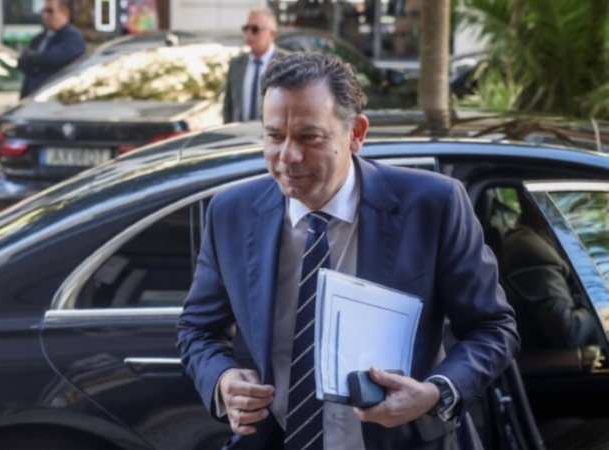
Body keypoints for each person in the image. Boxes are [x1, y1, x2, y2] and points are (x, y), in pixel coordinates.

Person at [177, 52, 519, 450]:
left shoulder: (432, 205)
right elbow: (197, 329)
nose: (288, 156)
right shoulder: (231, 213)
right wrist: (222, 380)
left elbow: (493, 328)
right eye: (274, 136)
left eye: (309, 137)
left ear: (356, 133)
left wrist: (434, 392)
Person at [501, 193, 599, 349]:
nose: (579, 213)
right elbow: (570, 332)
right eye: (573, 203)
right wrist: (601, 304)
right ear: (537, 204)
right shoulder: (530, 248)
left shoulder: (548, 235)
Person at [223, 7, 289, 124]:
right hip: (240, 134)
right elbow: (228, 106)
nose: (248, 34)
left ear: (272, 34)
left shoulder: (288, 64)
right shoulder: (236, 64)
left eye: (255, 29)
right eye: (246, 28)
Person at [18, 0, 86, 98]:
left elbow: (53, 59)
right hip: (30, 97)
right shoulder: (39, 38)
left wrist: (34, 59)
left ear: (64, 13)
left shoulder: (73, 38)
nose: (45, 15)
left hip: (55, 98)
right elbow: (23, 62)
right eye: (44, 11)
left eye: (50, 11)